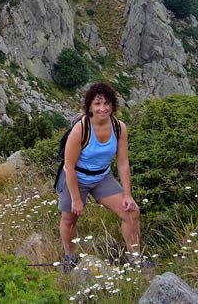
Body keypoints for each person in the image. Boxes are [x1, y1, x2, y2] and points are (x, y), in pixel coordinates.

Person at [56, 82, 141, 272]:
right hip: (76, 178)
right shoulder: (81, 129)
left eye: (107, 103)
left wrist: (127, 195)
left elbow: (123, 163)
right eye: (97, 104)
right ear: (89, 107)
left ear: (113, 105)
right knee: (69, 219)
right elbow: (69, 167)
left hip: (102, 177)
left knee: (131, 212)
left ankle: (136, 259)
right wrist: (77, 199)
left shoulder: (119, 128)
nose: (103, 108)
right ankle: (70, 256)